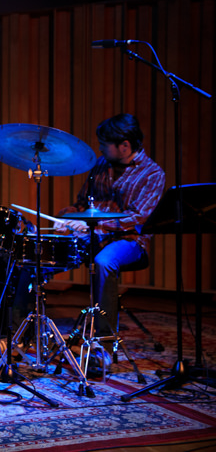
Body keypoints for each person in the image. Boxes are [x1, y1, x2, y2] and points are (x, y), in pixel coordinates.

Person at [53, 113, 166, 370]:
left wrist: (96, 225)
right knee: (37, 249)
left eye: (105, 144)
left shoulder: (152, 174)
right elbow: (82, 205)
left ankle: (101, 344)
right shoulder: (101, 166)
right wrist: (65, 217)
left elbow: (139, 219)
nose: (100, 148)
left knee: (104, 261)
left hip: (129, 241)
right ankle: (22, 332)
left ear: (124, 145)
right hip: (92, 236)